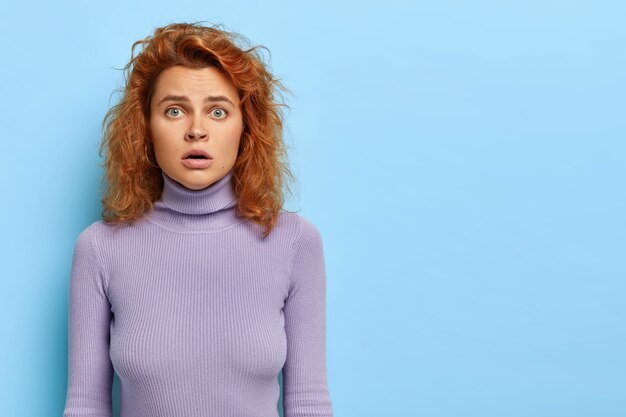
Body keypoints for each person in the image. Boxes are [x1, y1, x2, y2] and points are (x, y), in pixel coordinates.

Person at [63, 21, 334, 417]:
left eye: (218, 111)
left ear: (246, 127)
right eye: (174, 110)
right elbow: (85, 405)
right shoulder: (99, 248)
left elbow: (309, 402)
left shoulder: (295, 242)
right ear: (145, 128)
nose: (196, 131)